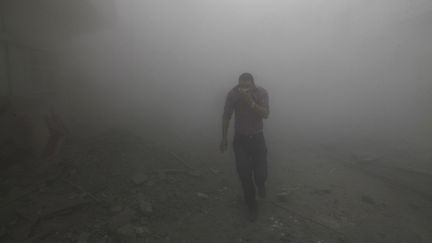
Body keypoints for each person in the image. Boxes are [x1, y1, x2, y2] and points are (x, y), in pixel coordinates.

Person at [220, 72, 270, 222]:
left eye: (247, 86)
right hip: (240, 140)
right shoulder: (233, 94)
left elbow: (266, 114)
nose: (244, 89)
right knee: (244, 175)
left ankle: (261, 184)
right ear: (238, 84)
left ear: (253, 84)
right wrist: (223, 137)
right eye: (242, 86)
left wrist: (250, 102)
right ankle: (252, 206)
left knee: (260, 173)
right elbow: (226, 116)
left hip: (257, 138)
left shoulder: (261, 92)